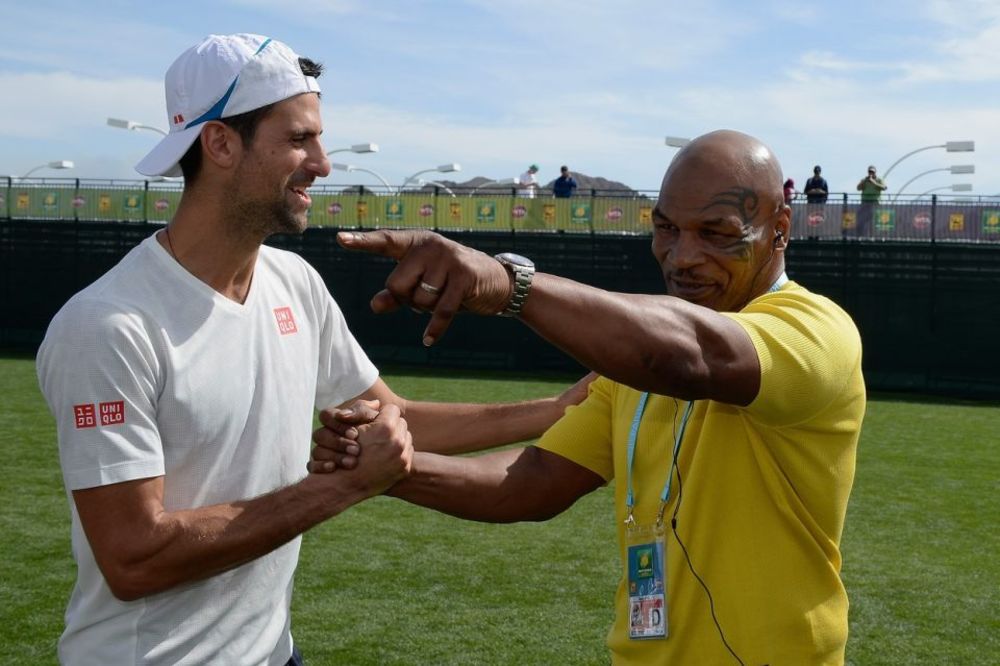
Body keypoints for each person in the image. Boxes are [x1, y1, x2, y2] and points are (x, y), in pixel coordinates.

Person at [36, 33, 581, 665]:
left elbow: (391, 417)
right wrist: (343, 487)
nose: (322, 163)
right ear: (219, 143)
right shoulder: (108, 326)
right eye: (299, 139)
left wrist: (562, 409)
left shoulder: (293, 282)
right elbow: (134, 557)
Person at [315, 130, 866, 664]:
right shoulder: (632, 356)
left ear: (779, 229)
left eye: (716, 233)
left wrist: (510, 286)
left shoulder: (817, 328)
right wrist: (391, 469)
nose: (682, 256)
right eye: (667, 228)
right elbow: (530, 483)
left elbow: (696, 354)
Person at [856, 165, 887, 236]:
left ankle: (874, 236)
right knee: (863, 220)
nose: (871, 173)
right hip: (865, 202)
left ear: (875, 172)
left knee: (874, 221)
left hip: (875, 203)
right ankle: (862, 236)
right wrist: (864, 181)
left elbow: (884, 188)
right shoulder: (864, 180)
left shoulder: (879, 180)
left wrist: (874, 182)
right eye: (870, 172)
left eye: (872, 172)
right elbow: (858, 188)